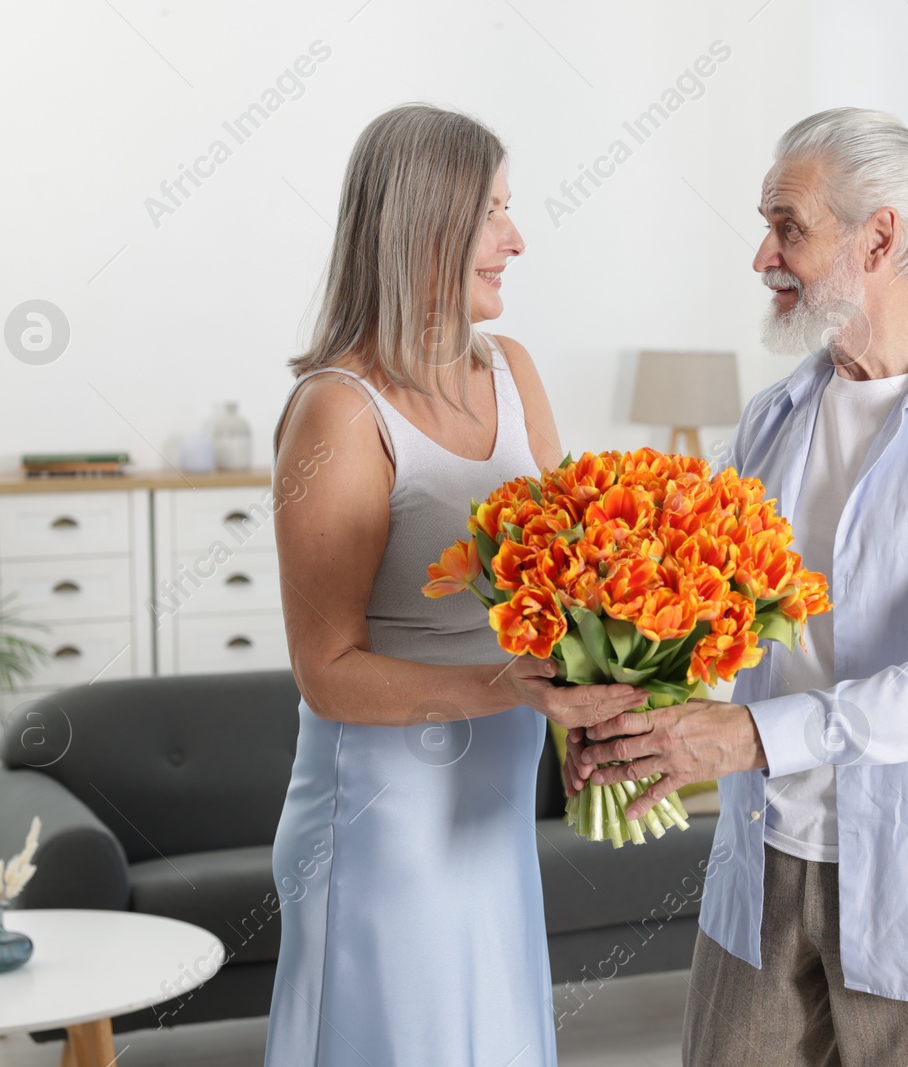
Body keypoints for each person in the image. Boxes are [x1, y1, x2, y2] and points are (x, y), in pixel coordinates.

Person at [567, 107, 908, 1065]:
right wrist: (629, 718)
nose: (763, 255)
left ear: (879, 235)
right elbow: (715, 618)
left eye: (788, 225)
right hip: (766, 864)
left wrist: (749, 735)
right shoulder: (774, 416)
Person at [265, 104, 648, 1067]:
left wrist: (625, 678)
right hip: (383, 820)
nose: (515, 240)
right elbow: (327, 671)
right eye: (494, 214)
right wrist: (504, 688)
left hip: (493, 802)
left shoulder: (512, 371)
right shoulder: (339, 414)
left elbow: (568, 580)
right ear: (426, 224)